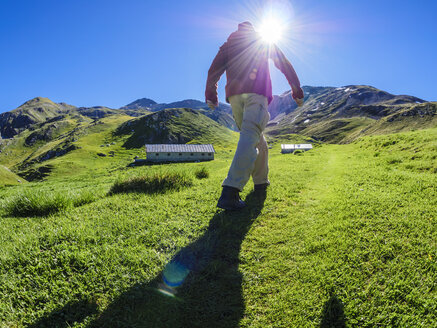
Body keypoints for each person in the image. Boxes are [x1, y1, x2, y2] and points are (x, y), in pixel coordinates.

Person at [205, 21, 304, 210]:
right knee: (250, 136)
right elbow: (284, 64)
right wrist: (296, 90)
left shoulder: (227, 45)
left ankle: (260, 182)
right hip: (256, 93)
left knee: (257, 139)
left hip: (235, 97)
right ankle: (230, 190)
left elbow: (213, 70)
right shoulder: (262, 41)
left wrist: (211, 94)